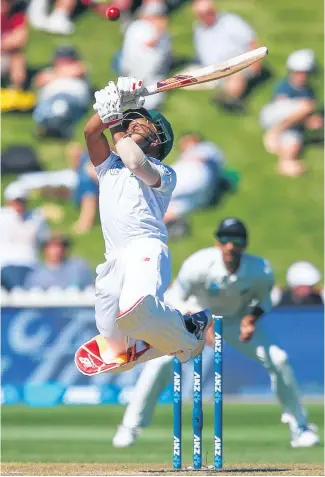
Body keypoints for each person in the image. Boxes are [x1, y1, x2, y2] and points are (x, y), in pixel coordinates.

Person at [112, 217, 320, 449]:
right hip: (192, 321)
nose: (231, 245)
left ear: (245, 244)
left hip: (235, 322)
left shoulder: (260, 270)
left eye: (237, 240)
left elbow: (265, 300)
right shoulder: (198, 264)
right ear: (217, 242)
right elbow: (175, 297)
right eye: (225, 239)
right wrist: (202, 322)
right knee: (159, 364)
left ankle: (300, 427)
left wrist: (251, 320)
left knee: (279, 359)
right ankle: (130, 426)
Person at [75, 76, 212, 376]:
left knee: (135, 307)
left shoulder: (164, 172)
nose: (138, 122)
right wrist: (111, 107)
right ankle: (153, 334)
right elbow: (89, 132)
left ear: (158, 139)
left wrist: (114, 122)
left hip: (144, 247)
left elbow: (136, 163)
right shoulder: (108, 166)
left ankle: (189, 334)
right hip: (114, 256)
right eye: (135, 119)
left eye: (145, 122)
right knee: (111, 339)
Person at [260, 49, 323, 177]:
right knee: (307, 106)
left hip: (291, 127)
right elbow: (281, 109)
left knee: (294, 142)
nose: (303, 76)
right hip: (273, 118)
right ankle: (275, 133)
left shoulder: (309, 91)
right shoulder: (284, 86)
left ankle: (285, 162)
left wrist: (310, 122)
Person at [192, 0, 262, 112]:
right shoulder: (198, 29)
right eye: (202, 14)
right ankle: (224, 94)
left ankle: (230, 98)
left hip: (236, 61)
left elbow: (251, 41)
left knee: (235, 74)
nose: (206, 17)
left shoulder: (230, 21)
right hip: (212, 68)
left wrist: (256, 62)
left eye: (209, 12)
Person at [164, 132, 226, 226]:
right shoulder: (209, 150)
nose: (182, 147)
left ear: (193, 139)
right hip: (205, 193)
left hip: (198, 173)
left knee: (158, 189)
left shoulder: (204, 147)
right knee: (173, 207)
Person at [119, 2, 172, 110]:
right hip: (137, 74)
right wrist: (159, 31)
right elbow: (150, 44)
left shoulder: (162, 33)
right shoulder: (140, 27)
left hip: (152, 74)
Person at [33, 45, 90, 139]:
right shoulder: (48, 70)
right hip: (49, 100)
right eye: (61, 59)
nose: (64, 62)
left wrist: (55, 74)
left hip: (72, 99)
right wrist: (62, 72)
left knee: (61, 106)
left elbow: (79, 71)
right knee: (51, 108)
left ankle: (55, 126)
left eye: (67, 59)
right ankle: (52, 126)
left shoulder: (81, 68)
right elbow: (39, 80)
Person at [0, 183, 50, 290]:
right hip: (6, 264)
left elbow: (45, 241)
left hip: (30, 264)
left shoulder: (36, 219)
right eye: (16, 201)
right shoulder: (2, 217)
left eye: (22, 200)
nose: (19, 204)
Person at [25, 233, 94, 290]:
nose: (56, 250)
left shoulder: (78, 268)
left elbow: (91, 287)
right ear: (45, 249)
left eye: (60, 246)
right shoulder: (36, 273)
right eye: (52, 247)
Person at [1, 0, 28, 90]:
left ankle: (17, 89)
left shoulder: (17, 15)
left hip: (7, 56)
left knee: (17, 56)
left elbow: (20, 40)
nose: (4, 5)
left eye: (7, 2)